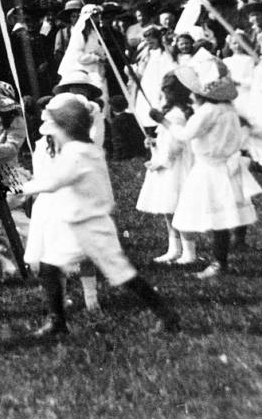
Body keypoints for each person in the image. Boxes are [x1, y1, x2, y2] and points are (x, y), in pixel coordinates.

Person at [17, 92, 180, 337]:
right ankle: (58, 323)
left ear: (64, 128)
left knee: (122, 274)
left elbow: (52, 182)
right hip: (78, 225)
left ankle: (167, 315)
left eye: (54, 129)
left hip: (92, 226)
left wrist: (18, 189)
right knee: (50, 266)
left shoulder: (76, 154)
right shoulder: (85, 148)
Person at [170, 63, 257, 279]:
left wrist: (163, 121)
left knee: (217, 217)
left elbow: (185, 134)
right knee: (224, 216)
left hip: (211, 169)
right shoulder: (229, 109)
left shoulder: (208, 111)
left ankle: (219, 263)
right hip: (225, 166)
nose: (191, 95)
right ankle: (220, 260)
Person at [137, 72, 195, 264]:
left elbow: (175, 146)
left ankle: (189, 252)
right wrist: (153, 142)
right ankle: (174, 248)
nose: (164, 95)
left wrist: (159, 163)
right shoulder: (171, 114)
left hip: (174, 167)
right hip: (167, 164)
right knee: (168, 209)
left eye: (167, 91)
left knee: (179, 209)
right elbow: (165, 141)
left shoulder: (176, 116)